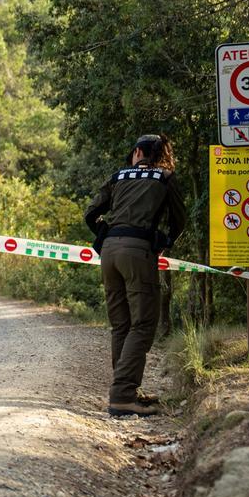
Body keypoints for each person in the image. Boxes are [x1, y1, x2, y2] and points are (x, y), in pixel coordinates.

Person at [84, 134, 187, 417]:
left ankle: (126, 391)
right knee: (142, 325)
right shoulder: (164, 177)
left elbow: (91, 213)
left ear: (138, 152)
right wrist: (164, 242)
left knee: (121, 325)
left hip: (109, 252)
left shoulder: (118, 176)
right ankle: (122, 396)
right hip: (138, 252)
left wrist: (104, 234)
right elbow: (180, 219)